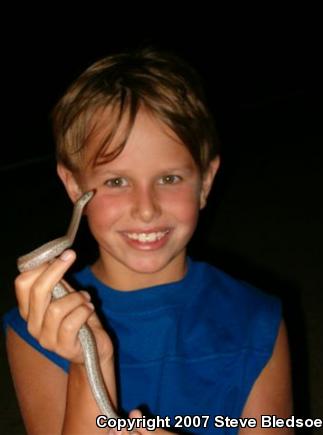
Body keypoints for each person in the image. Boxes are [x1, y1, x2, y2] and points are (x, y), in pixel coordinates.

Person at [3, 46, 293, 434]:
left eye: (169, 178)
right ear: (75, 188)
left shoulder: (259, 321)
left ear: (205, 182)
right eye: (116, 181)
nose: (145, 209)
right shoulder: (42, 327)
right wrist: (88, 363)